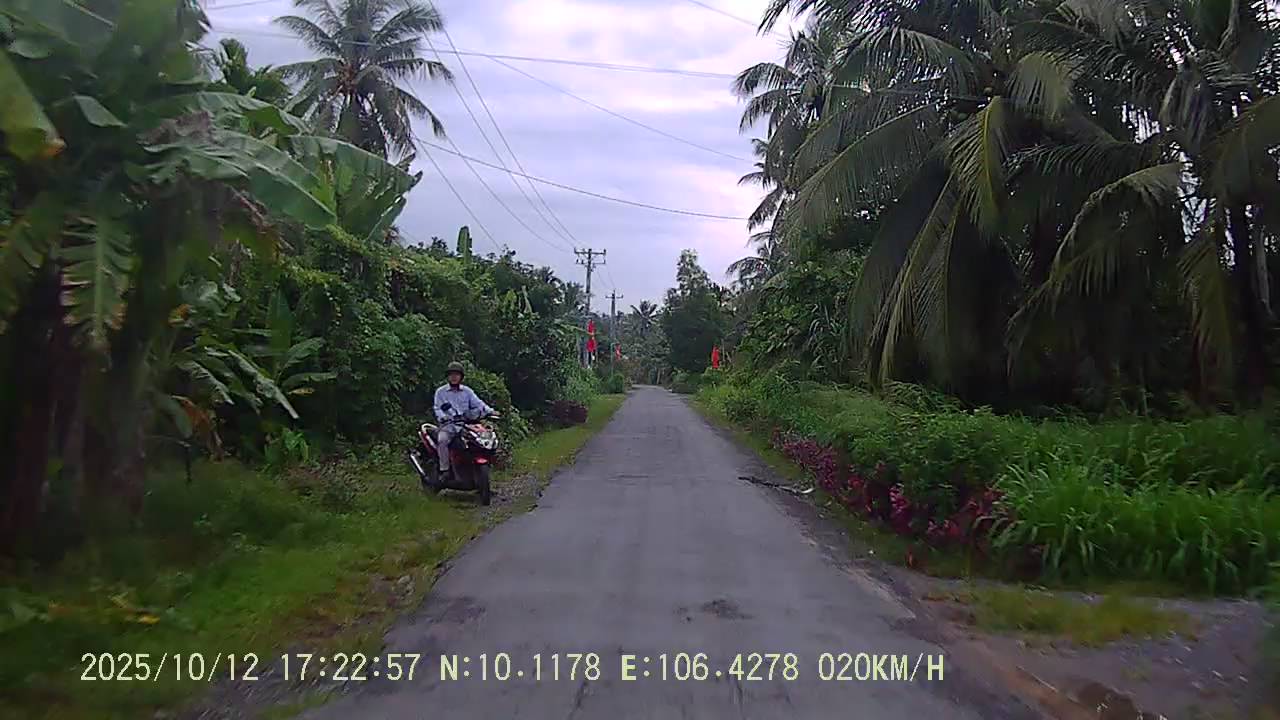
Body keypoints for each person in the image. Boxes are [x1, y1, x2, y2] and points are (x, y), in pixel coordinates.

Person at [433, 361, 498, 475]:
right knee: (442, 440)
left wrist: (491, 411)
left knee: (479, 440)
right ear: (448, 376)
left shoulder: (467, 391)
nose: (454, 377)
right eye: (451, 374)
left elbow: (479, 403)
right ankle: (444, 470)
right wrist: (443, 417)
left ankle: (473, 467)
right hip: (449, 425)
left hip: (466, 425)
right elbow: (437, 408)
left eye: (457, 374)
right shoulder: (441, 392)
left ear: (461, 377)